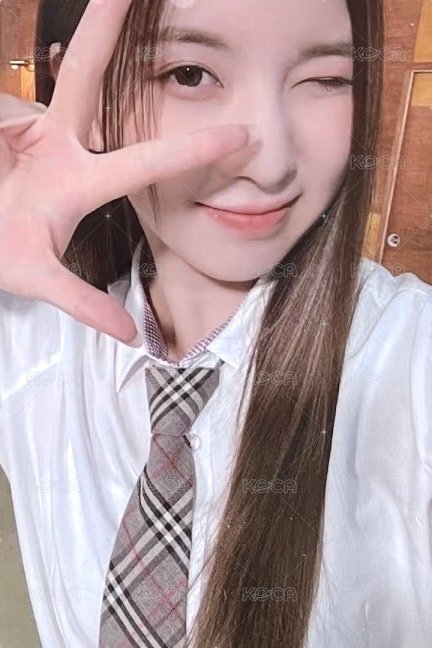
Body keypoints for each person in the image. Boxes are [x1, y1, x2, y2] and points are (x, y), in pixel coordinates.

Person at [0, 0, 430, 647]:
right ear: (89, 97)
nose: (272, 162)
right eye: (190, 74)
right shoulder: (31, 337)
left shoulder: (410, 364)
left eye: (325, 78)